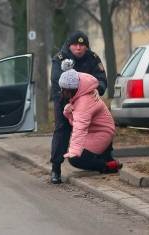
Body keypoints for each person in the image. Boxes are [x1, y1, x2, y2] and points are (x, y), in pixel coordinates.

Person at [50, 31, 107, 184]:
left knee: (100, 125)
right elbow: (57, 80)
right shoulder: (60, 59)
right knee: (62, 131)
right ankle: (56, 168)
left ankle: (104, 158)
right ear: (69, 46)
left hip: (88, 101)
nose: (79, 48)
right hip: (64, 100)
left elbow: (102, 78)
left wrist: (98, 88)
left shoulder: (93, 58)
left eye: (82, 45)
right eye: (75, 44)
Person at [58, 60, 122, 174]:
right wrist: (68, 112)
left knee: (75, 158)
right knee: (81, 153)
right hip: (94, 130)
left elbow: (79, 128)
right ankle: (106, 159)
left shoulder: (84, 103)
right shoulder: (82, 85)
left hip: (101, 132)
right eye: (62, 90)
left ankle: (107, 166)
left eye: (66, 91)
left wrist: (74, 150)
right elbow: (77, 122)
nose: (63, 94)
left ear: (74, 90)